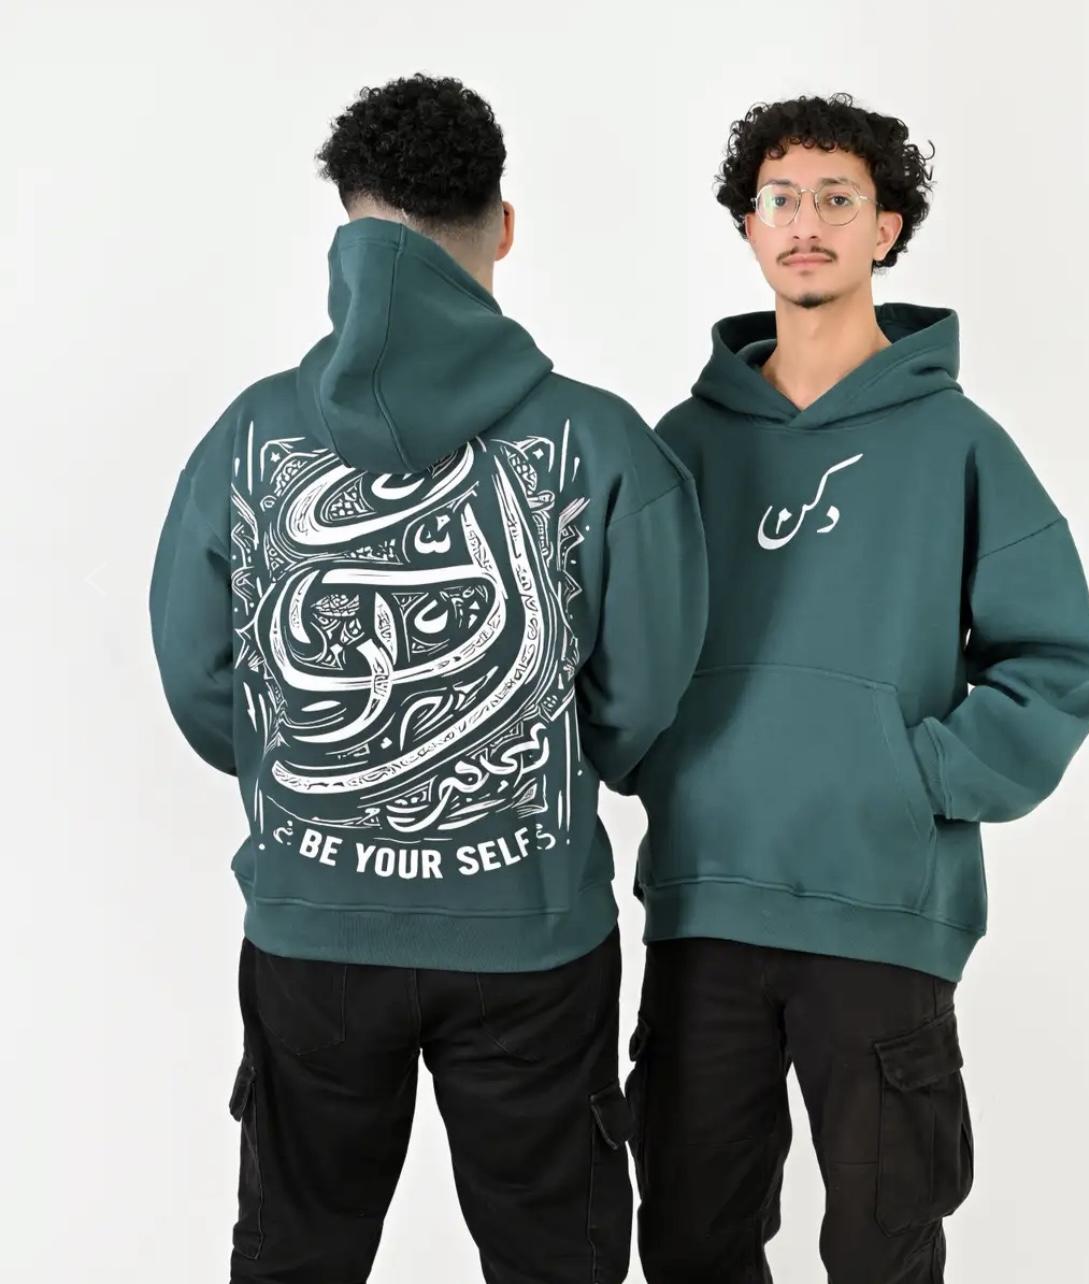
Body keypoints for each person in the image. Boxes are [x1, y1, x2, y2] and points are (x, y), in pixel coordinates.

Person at [148, 73, 707, 1284]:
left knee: (296, 1253)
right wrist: (556, 754)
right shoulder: (605, 442)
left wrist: (313, 778)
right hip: (532, 932)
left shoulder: (249, 436)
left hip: (312, 932)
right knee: (556, 1258)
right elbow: (649, 691)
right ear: (503, 227)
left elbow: (197, 672)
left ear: (345, 232)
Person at [620, 92, 1089, 1282]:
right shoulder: (682, 443)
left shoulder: (959, 442)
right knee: (690, 1243)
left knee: (883, 1251)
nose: (806, 222)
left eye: (837, 198)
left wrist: (915, 774)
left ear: (886, 228)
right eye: (780, 198)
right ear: (748, 226)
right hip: (705, 906)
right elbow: (611, 642)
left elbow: (1057, 661)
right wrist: (655, 759)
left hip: (882, 912)